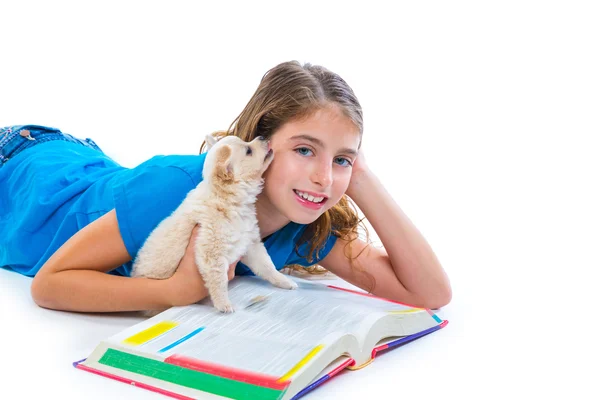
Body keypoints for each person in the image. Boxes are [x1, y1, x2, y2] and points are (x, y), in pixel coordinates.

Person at [0, 61, 451, 313]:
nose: (324, 178)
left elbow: (430, 294)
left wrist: (362, 179)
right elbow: (50, 285)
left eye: (342, 159)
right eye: (305, 150)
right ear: (262, 142)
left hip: (76, 166)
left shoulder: (306, 221)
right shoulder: (177, 190)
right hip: (21, 167)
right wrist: (172, 292)